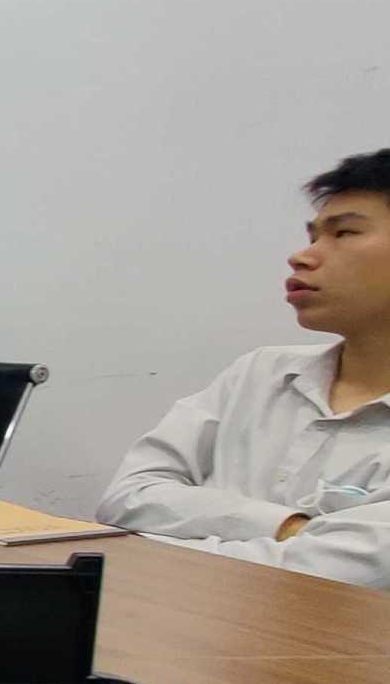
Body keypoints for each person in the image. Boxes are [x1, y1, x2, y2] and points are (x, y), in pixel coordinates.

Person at [96, 151, 390, 588]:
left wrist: (129, 555)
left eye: (344, 233)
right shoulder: (261, 372)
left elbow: (321, 579)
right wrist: (287, 525)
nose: (302, 256)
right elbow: (127, 496)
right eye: (312, 236)